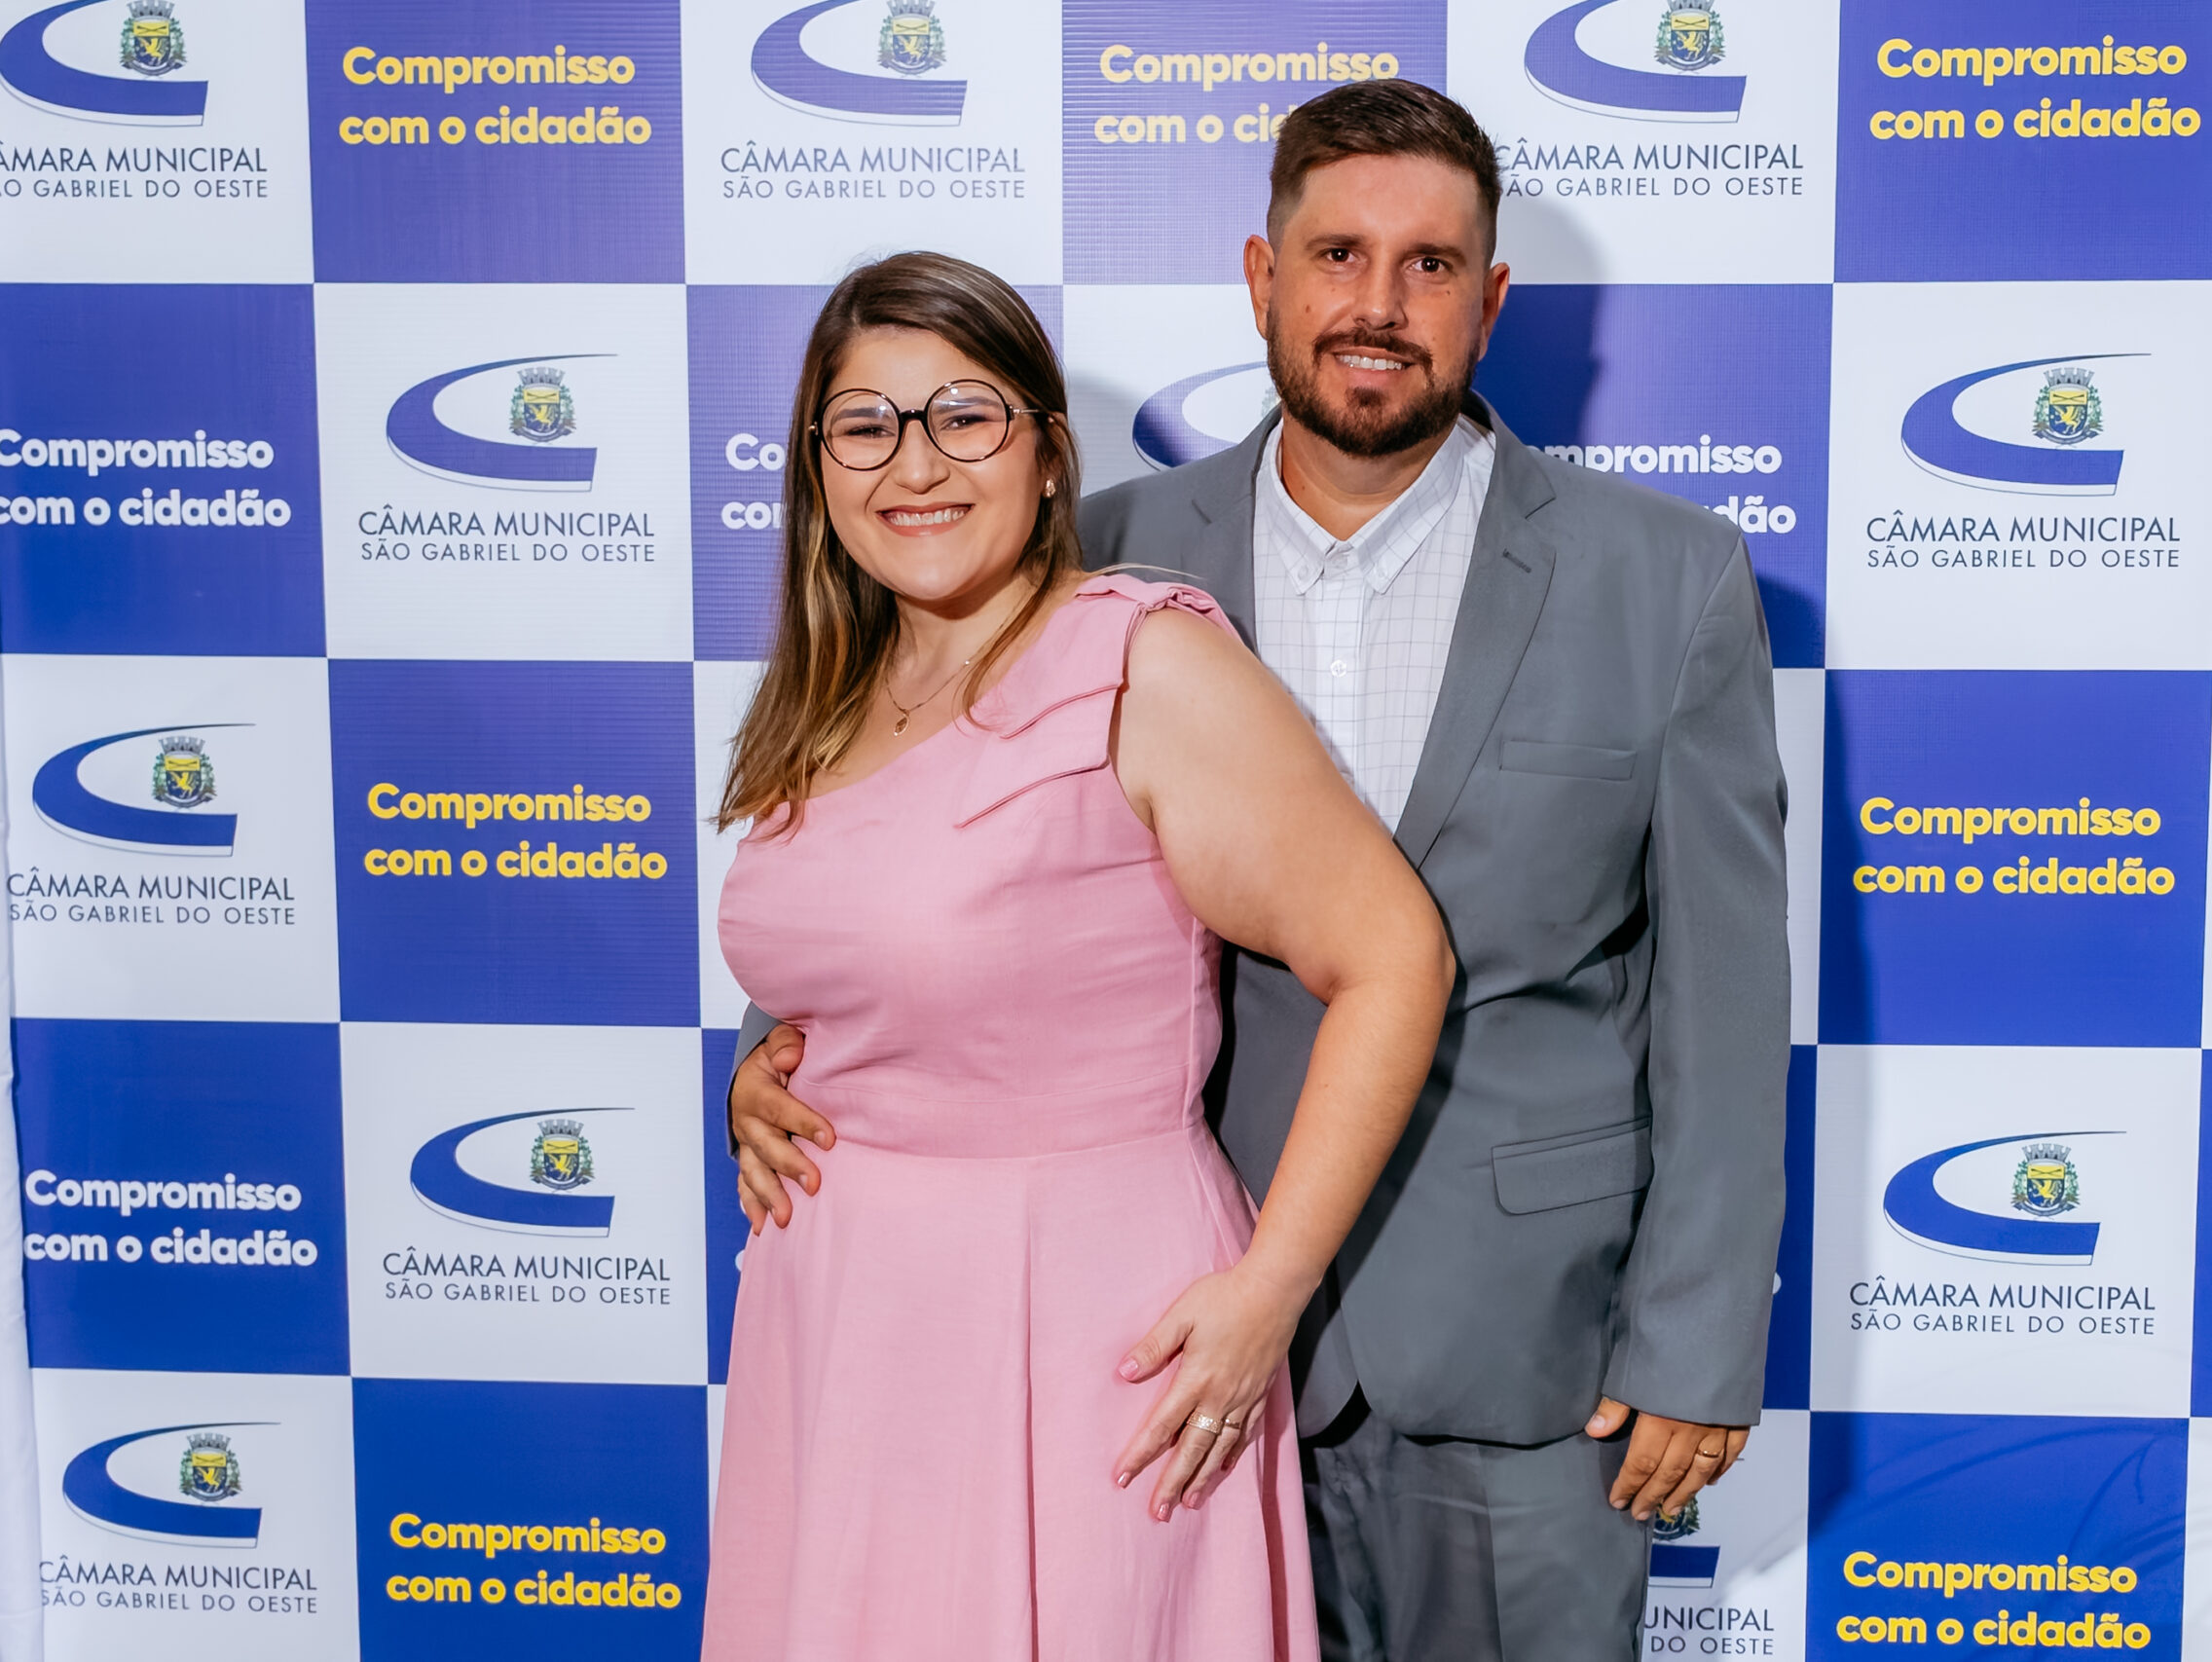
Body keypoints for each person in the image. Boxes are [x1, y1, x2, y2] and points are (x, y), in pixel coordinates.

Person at [731, 82, 1790, 1662]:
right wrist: (784, 1058)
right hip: (1155, 1336)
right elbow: (957, 871)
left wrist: (1696, 1344)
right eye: (1337, 254)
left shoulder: (1663, 577)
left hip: (1520, 1350)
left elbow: (1725, 998)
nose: (1378, 303)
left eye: (1431, 265)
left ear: (1494, 298)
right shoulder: (1088, 557)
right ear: (1261, 277)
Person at [699, 250, 1452, 1662]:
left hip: (1084, 1323)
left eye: (964, 416)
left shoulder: (1142, 663)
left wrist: (1269, 1291)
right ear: (816, 469)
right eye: (865, 426)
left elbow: (1394, 957)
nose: (914, 464)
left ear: (1049, 455)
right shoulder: (834, 692)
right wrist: (770, 1070)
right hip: (842, 1319)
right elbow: (875, 961)